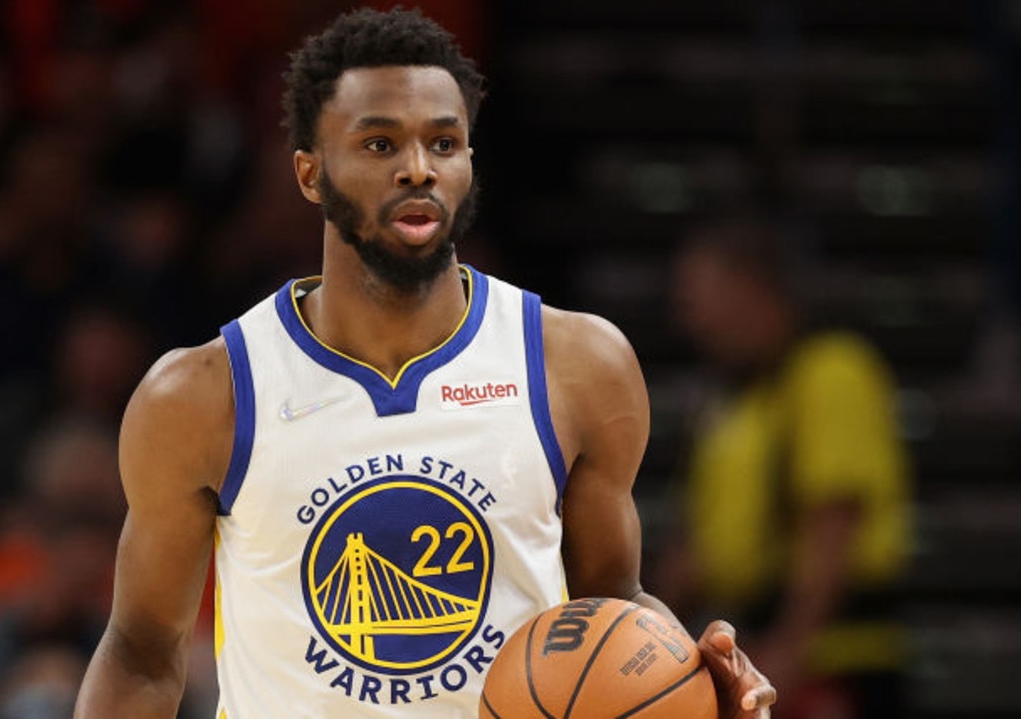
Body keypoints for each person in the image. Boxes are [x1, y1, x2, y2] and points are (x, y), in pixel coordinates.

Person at [75, 9, 777, 718]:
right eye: (380, 143)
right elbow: (140, 650)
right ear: (310, 173)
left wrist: (691, 678)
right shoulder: (203, 393)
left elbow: (612, 610)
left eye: (443, 142)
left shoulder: (575, 363)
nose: (418, 167)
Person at [664, 218, 913, 718]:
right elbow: (700, 552)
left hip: (834, 663)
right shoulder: (734, 405)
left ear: (751, 288)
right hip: (754, 652)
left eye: (699, 300)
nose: (692, 322)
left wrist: (789, 651)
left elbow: (833, 524)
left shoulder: (831, 371)